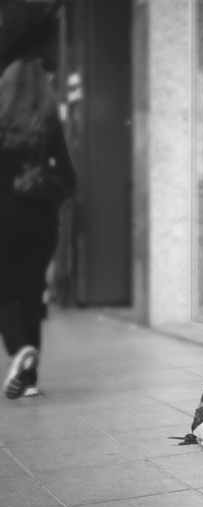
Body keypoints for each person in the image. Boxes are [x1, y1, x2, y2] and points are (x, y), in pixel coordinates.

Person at [0, 58, 75, 399]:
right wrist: (42, 181)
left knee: (4, 293)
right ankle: (29, 380)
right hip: (42, 221)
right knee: (31, 293)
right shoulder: (48, 124)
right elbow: (69, 179)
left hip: (3, 219)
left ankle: (19, 349)